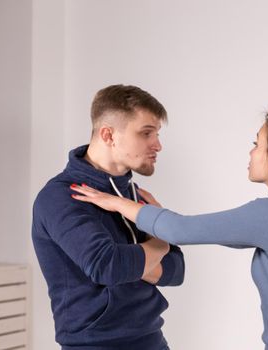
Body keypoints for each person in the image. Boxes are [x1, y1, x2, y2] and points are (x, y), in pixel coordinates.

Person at [71, 103, 268, 350]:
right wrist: (157, 215)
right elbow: (209, 230)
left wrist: (116, 203)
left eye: (256, 144)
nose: (250, 152)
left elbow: (179, 230)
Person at [32, 84, 185, 350]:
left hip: (152, 339)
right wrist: (159, 243)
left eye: (157, 134)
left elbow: (176, 271)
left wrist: (137, 261)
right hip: (95, 345)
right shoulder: (60, 197)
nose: (157, 145)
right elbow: (108, 266)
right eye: (146, 133)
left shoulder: (135, 196)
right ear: (108, 135)